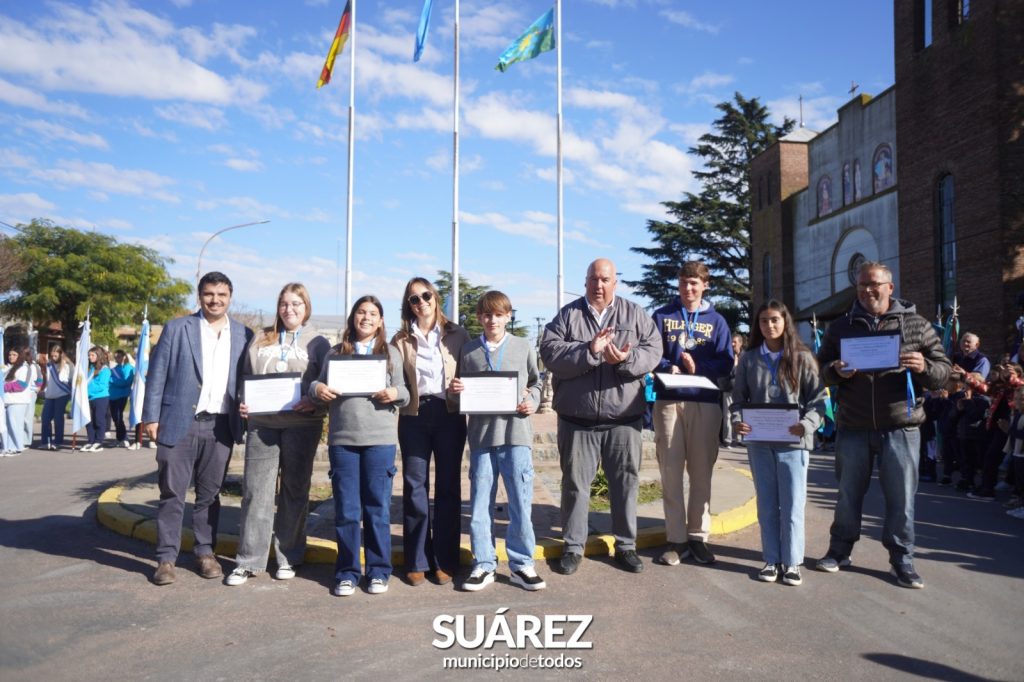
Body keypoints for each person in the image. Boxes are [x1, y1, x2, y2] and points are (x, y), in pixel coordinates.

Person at [815, 261, 950, 588]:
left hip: (900, 426)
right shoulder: (841, 326)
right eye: (861, 285)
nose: (867, 291)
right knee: (848, 494)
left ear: (890, 287)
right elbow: (817, 370)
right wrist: (835, 370)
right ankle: (840, 550)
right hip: (853, 425)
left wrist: (924, 366)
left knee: (902, 498)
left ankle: (902, 560)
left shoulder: (916, 325)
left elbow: (944, 371)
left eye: (874, 284)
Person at [539, 258, 662, 575]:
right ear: (585, 282)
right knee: (575, 487)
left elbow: (653, 350)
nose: (599, 284)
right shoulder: (568, 315)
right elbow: (550, 352)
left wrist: (626, 359)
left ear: (615, 282)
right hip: (576, 420)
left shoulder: (634, 314)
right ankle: (573, 547)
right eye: (593, 278)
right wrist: (590, 352)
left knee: (625, 485)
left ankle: (626, 546)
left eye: (605, 279)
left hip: (624, 419)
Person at [142, 272, 253, 586]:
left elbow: (245, 380)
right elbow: (157, 373)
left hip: (221, 426)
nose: (215, 300)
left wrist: (248, 405)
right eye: (209, 294)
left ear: (230, 296)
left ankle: (205, 552)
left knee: (209, 495)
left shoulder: (244, 334)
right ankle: (166, 559)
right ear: (200, 295)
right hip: (179, 422)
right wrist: (151, 417)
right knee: (172, 494)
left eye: (221, 294)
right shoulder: (178, 328)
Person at [225, 283, 330, 586]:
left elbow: (327, 383)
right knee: (256, 491)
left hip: (302, 424)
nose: (290, 309)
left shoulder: (318, 341)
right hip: (263, 424)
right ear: (278, 307)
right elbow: (245, 376)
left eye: (297, 303)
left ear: (306, 307)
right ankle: (249, 560)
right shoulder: (261, 337)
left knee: (295, 491)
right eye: (285, 304)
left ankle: (288, 556)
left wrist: (315, 401)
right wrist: (243, 403)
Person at [312, 295, 409, 596]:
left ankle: (379, 571)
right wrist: (319, 388)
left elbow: (405, 392)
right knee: (347, 510)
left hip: (379, 441)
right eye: (361, 312)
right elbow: (315, 386)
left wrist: (393, 391)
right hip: (343, 441)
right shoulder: (336, 352)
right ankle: (347, 572)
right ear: (353, 317)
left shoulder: (390, 352)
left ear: (381, 320)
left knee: (377, 509)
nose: (366, 318)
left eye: (373, 313)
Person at [449, 291, 544, 592]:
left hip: (516, 435)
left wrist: (534, 400)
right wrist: (455, 389)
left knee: (519, 502)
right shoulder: (469, 350)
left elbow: (535, 382)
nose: (493, 320)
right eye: (487, 314)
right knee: (480, 504)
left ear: (508, 316)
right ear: (479, 317)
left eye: (499, 314)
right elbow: (459, 391)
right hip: (481, 438)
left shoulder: (523, 346)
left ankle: (521, 564)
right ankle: (484, 564)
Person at [730, 300, 827, 586]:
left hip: (793, 442)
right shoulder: (749, 359)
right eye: (763, 321)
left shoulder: (802, 357)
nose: (769, 325)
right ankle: (771, 560)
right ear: (757, 325)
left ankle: (793, 562)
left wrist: (807, 425)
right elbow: (738, 400)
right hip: (759, 443)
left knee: (793, 505)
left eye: (774, 320)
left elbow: (819, 401)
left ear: (785, 322)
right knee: (768, 506)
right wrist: (738, 421)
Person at [651, 261, 734, 566]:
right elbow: (650, 352)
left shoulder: (717, 321)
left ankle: (698, 537)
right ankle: (676, 539)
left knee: (701, 474)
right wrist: (666, 366)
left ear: (705, 285)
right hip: (669, 401)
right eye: (684, 283)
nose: (688, 289)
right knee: (670, 473)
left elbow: (726, 362)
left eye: (694, 284)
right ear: (678, 283)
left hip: (705, 402)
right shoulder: (662, 315)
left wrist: (698, 368)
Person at [390, 277, 469, 587]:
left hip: (448, 413)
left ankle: (445, 559)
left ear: (435, 298)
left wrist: (466, 387)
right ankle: (417, 559)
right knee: (415, 486)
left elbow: (472, 371)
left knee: (449, 487)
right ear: (408, 305)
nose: (421, 302)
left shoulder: (457, 334)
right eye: (414, 299)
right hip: (414, 415)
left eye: (425, 295)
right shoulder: (399, 340)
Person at [3, 347, 38, 455]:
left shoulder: (24, 368)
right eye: (10, 355)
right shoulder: (8, 368)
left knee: (15, 425)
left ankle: (17, 447)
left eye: (14, 355)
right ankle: (8, 447)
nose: (11, 357)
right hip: (8, 400)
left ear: (20, 356)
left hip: (18, 401)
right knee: (8, 426)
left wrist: (3, 387)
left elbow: (21, 385)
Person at [41, 345, 74, 450]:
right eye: (52, 356)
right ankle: (46, 441)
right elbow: (47, 379)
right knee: (45, 418)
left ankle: (58, 441)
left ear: (60, 354)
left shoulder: (68, 365)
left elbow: (72, 380)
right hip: (50, 395)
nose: (53, 357)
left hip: (62, 394)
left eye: (55, 356)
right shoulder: (49, 365)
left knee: (58, 418)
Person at [83, 346, 111, 452]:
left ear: (98, 356)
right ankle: (91, 441)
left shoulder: (105, 369)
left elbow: (101, 385)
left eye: (92, 355)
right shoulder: (91, 368)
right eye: (89, 355)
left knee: (99, 420)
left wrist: (86, 390)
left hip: (100, 398)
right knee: (89, 421)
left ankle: (99, 442)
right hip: (89, 398)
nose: (90, 357)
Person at [720, 333, 746, 447]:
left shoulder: (745, 356)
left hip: (741, 391)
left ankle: (739, 438)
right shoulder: (728, 356)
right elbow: (727, 373)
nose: (732, 344)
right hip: (729, 389)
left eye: (735, 342)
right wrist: (734, 366)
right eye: (732, 342)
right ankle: (728, 439)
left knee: (741, 415)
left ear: (740, 343)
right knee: (728, 416)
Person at [107, 350, 135, 448]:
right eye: (115, 357)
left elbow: (125, 382)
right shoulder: (114, 368)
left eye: (118, 356)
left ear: (124, 356)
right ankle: (119, 438)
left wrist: (111, 380)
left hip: (122, 396)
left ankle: (124, 438)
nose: (116, 358)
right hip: (112, 396)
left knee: (119, 417)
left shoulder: (128, 368)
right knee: (115, 418)